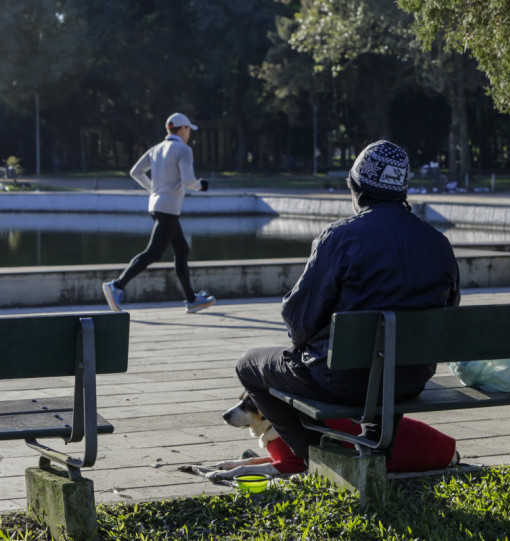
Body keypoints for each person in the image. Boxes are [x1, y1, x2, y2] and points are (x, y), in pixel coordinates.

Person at [235, 140, 461, 461]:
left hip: (343, 381)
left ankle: (315, 459)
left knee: (248, 364)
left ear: (356, 188)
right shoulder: (438, 243)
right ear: (401, 191)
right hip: (409, 380)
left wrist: (306, 347)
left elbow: (298, 320)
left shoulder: (341, 237)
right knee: (388, 362)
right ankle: (373, 446)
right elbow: (448, 314)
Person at [102, 112, 215, 314]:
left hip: (156, 206)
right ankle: (116, 285)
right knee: (153, 253)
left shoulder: (156, 149)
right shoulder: (184, 150)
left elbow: (135, 172)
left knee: (182, 250)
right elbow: (189, 181)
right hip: (169, 208)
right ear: (182, 129)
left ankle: (191, 299)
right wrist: (201, 186)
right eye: (188, 129)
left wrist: (154, 189)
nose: (189, 133)